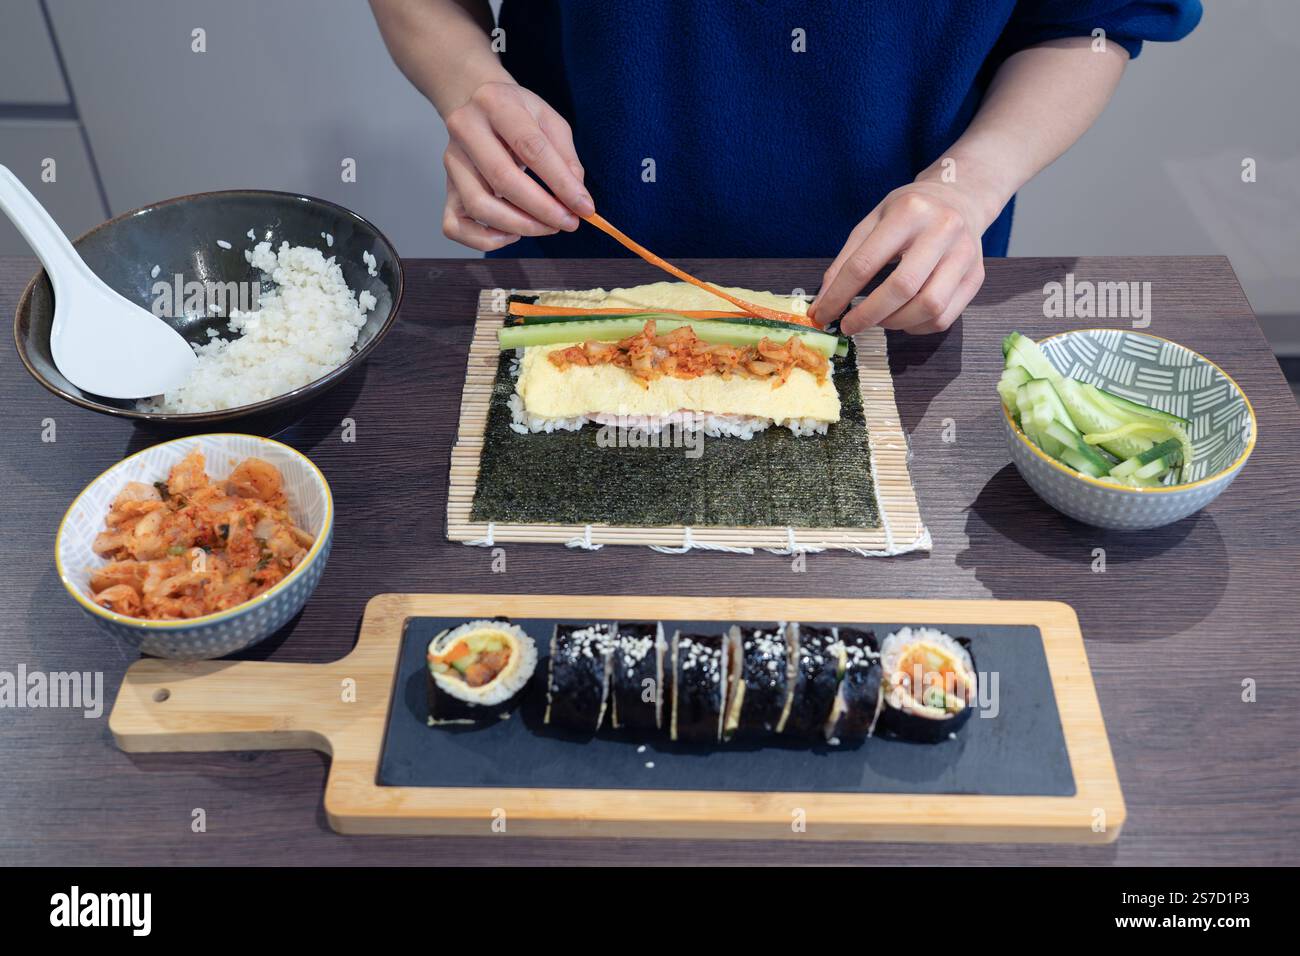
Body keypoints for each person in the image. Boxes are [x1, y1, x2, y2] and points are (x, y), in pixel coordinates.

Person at [372, 0, 1201, 334]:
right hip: (572, 264)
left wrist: (974, 183)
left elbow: (1097, 17)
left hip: (898, 297)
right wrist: (471, 85)